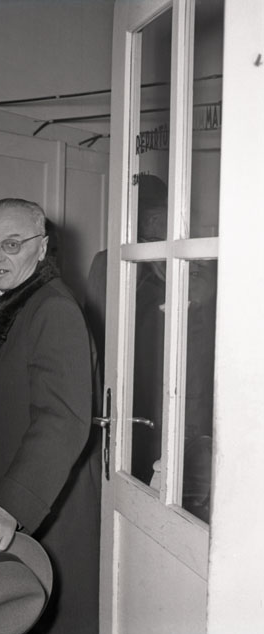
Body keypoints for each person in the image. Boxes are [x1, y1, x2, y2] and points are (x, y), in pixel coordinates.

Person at [0, 198, 100, 634]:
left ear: (41, 248)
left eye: (12, 244)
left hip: (42, 504)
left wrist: (10, 506)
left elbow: (62, 420)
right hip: (6, 496)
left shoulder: (52, 308)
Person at [84, 176, 216, 517]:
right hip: (130, 413)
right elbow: (97, 336)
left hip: (175, 419)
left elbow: (203, 348)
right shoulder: (112, 263)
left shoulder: (192, 263)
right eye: (154, 214)